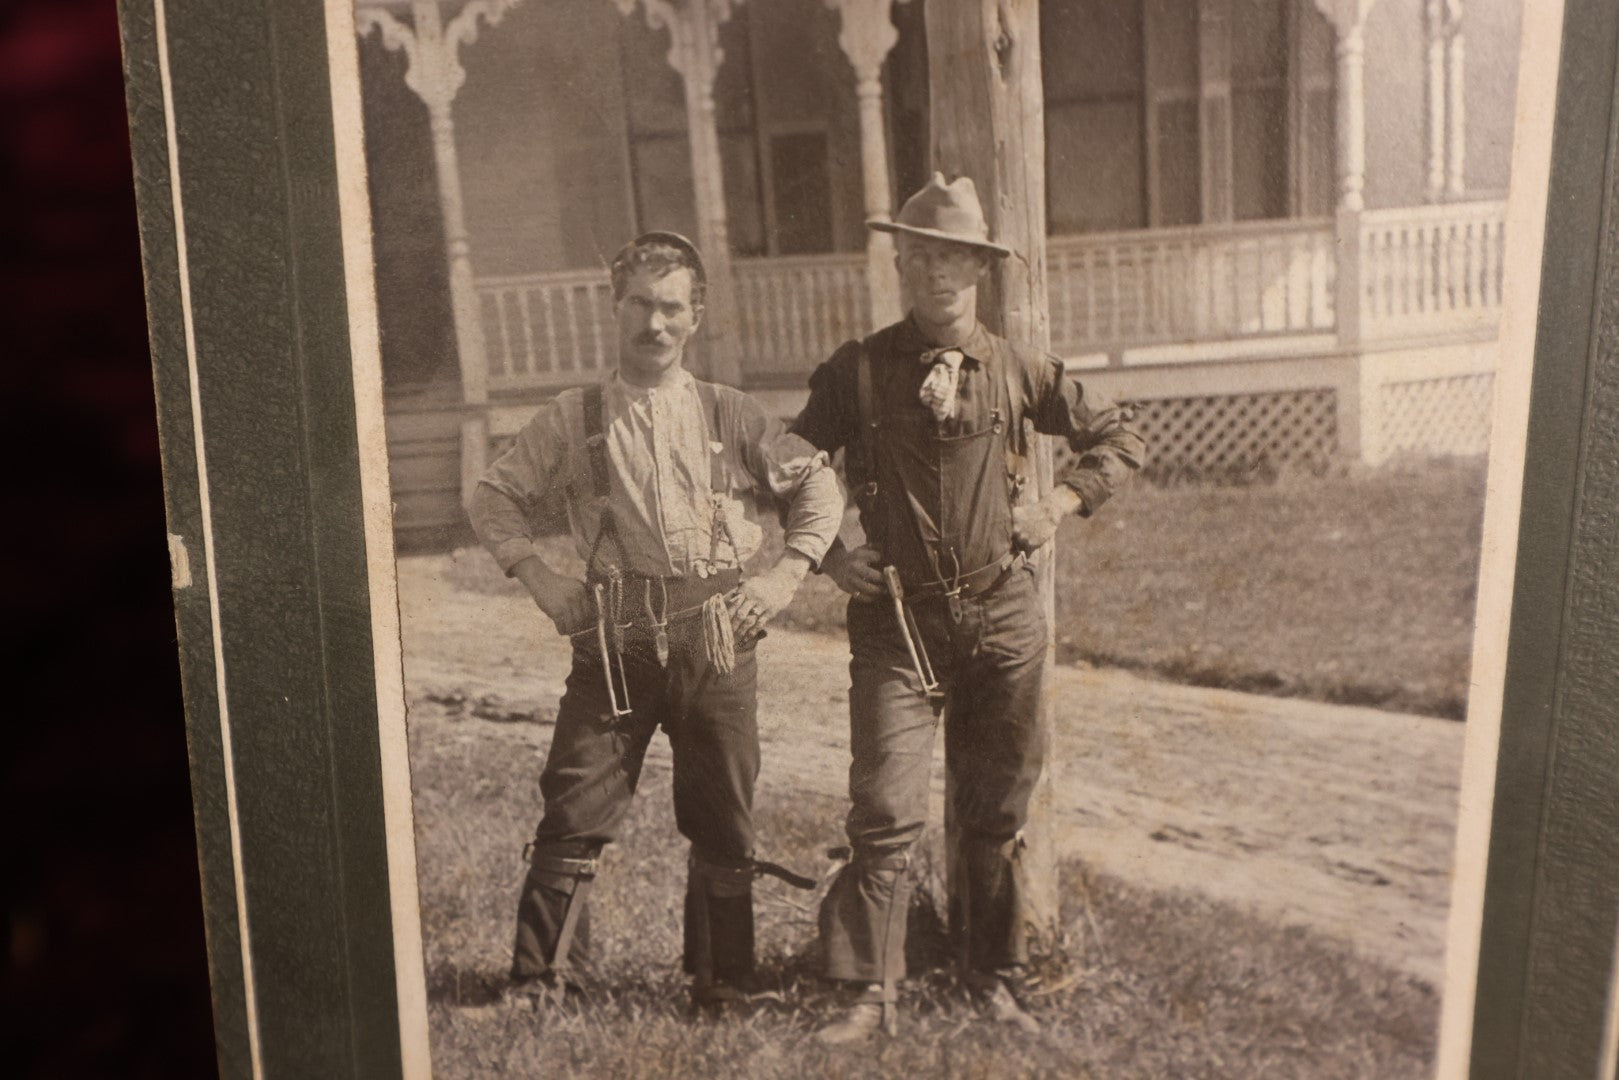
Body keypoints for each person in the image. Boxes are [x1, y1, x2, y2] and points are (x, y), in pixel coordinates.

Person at [791, 175, 1146, 1043]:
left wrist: (1057, 504)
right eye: (920, 256)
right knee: (883, 808)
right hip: (897, 627)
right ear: (902, 265)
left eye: (954, 258)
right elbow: (790, 458)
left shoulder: (1020, 369)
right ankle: (867, 992)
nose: (937, 273)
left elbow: (1122, 435)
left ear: (978, 269)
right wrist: (832, 553)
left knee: (993, 809)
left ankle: (989, 974)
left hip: (1002, 618)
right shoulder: (860, 370)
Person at [467, 232, 842, 1013]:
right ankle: (540, 983)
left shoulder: (729, 413)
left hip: (716, 636)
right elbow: (493, 496)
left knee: (724, 814)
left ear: (695, 316)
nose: (654, 324)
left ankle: (723, 982)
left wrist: (785, 575)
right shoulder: (572, 417)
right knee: (574, 801)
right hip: (614, 641)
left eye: (672, 307)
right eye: (640, 303)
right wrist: (539, 578)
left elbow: (817, 486)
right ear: (616, 307)